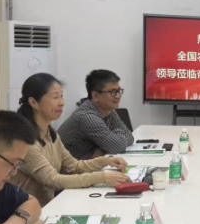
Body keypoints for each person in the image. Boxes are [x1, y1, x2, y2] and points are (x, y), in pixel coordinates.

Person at [12, 73, 129, 206]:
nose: (61, 102)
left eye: (61, 96)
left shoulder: (50, 133)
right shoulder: (27, 141)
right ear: (33, 102)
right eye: (55, 97)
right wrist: (101, 177)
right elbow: (53, 180)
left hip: (51, 205)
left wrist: (106, 161)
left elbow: (73, 166)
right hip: (30, 212)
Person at [58, 70, 134, 160]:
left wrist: (105, 148)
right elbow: (117, 146)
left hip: (89, 163)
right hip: (68, 167)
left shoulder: (109, 110)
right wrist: (111, 142)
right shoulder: (87, 116)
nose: (118, 96)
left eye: (119, 91)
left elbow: (130, 137)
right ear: (96, 96)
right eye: (113, 92)